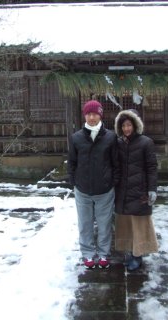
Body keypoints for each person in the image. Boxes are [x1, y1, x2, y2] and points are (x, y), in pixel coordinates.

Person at [67, 100, 119, 269]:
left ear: (100, 115)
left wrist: (112, 182)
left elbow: (115, 163)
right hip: (83, 189)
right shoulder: (76, 138)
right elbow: (72, 163)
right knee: (85, 224)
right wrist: (74, 182)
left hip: (104, 190)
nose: (91, 117)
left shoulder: (110, 137)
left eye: (94, 114)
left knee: (104, 224)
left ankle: (104, 253)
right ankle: (88, 253)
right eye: (88, 114)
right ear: (85, 116)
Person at [114, 109, 158, 271]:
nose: (126, 129)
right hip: (123, 190)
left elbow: (152, 167)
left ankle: (138, 255)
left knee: (139, 224)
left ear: (135, 125)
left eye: (129, 125)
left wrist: (152, 189)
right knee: (125, 223)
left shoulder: (146, 142)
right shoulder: (118, 143)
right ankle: (130, 252)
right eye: (123, 126)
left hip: (140, 191)